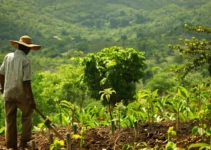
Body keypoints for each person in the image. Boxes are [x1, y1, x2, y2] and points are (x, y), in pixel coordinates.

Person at [0, 35, 41, 149]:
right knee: (27, 114)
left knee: (9, 119)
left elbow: (1, 73)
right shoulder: (26, 60)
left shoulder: (8, 57)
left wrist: (2, 88)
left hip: (8, 94)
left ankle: (11, 145)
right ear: (27, 48)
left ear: (18, 46)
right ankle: (24, 141)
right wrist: (31, 99)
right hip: (21, 94)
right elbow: (26, 82)